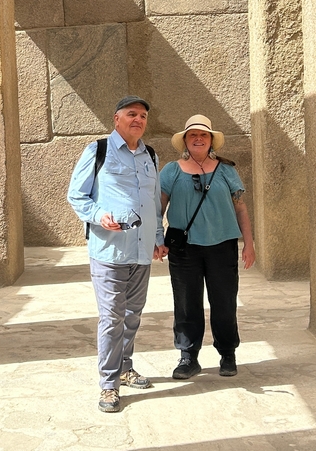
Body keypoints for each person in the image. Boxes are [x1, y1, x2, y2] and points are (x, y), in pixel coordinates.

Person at [68, 96, 168, 413]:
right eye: (131, 114)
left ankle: (125, 368)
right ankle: (109, 384)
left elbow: (153, 203)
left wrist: (158, 237)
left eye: (143, 116)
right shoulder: (97, 151)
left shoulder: (150, 155)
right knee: (112, 318)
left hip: (141, 250)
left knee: (133, 315)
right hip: (109, 250)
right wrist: (99, 216)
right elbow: (76, 195)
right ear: (117, 119)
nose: (138, 119)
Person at [160, 114, 255, 380]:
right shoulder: (171, 171)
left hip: (222, 246)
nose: (198, 138)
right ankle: (188, 357)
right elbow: (159, 207)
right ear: (185, 141)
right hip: (184, 249)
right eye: (193, 135)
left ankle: (228, 353)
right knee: (186, 303)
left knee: (224, 302)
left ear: (211, 140)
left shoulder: (226, 170)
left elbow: (241, 208)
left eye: (204, 134)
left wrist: (249, 243)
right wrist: (157, 240)